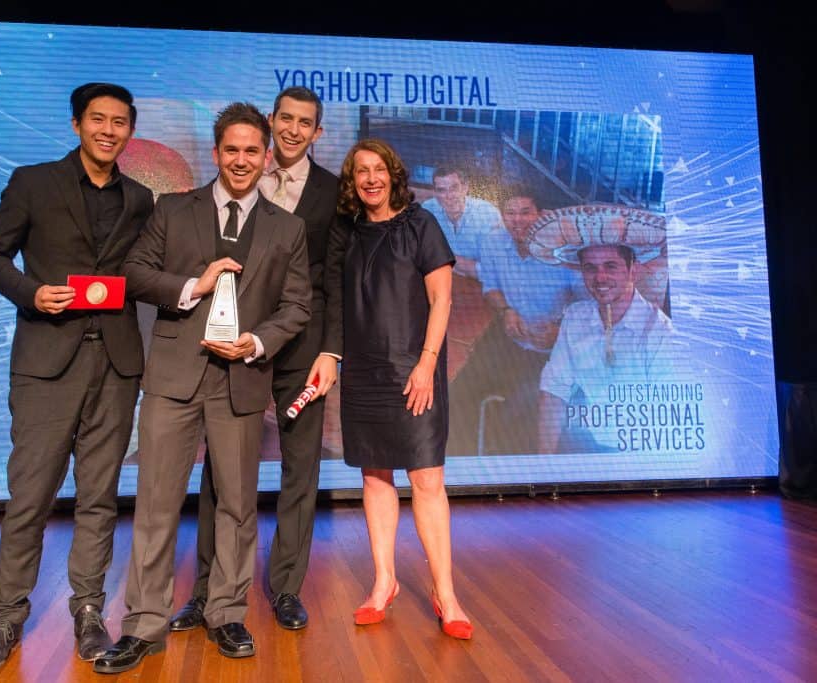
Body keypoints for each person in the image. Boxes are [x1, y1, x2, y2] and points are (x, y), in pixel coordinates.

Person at [93, 102, 311, 674]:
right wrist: (196, 283)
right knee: (157, 502)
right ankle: (143, 624)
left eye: (251, 151)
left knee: (238, 507)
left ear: (267, 158)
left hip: (242, 379)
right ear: (215, 154)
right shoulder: (172, 209)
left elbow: (296, 307)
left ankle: (227, 613)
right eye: (231, 150)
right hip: (172, 376)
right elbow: (135, 274)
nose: (241, 160)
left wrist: (257, 342)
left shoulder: (288, 228)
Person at [0, 83, 154, 673]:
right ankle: (6, 618)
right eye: (97, 119)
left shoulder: (142, 197)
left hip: (118, 364)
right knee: (30, 496)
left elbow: (144, 273)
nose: (108, 129)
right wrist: (31, 293)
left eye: (119, 122)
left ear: (129, 131)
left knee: (99, 497)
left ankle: (90, 611)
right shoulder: (32, 182)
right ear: (76, 124)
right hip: (46, 361)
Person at [173, 87, 341, 634]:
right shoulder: (236, 177)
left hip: (302, 346)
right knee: (221, 470)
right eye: (285, 119)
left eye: (305, 123)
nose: (293, 129)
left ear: (318, 132)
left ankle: (286, 587)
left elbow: (334, 281)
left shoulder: (333, 193)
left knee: (300, 469)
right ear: (270, 124)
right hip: (232, 344)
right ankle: (206, 589)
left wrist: (331, 350)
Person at [332, 138, 472, 640]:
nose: (371, 178)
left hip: (416, 369)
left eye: (378, 169)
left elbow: (442, 300)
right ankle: (384, 582)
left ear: (393, 174)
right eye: (360, 171)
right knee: (374, 478)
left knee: (428, 481)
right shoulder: (345, 232)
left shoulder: (421, 224)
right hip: (364, 372)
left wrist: (426, 363)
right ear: (353, 181)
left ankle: (445, 593)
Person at [447, 187, 585, 455]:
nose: (517, 220)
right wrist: (506, 311)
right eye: (510, 213)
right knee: (457, 395)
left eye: (525, 212)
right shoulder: (494, 243)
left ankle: (505, 474)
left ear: (542, 215)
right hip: (508, 337)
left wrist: (560, 330)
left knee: (518, 410)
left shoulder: (566, 253)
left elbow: (586, 303)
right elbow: (491, 287)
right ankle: (457, 466)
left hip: (554, 347)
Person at [528, 205, 673, 453]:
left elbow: (668, 418)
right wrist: (545, 466)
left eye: (611, 266)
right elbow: (554, 389)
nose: (600, 277)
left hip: (643, 455)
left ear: (633, 270)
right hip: (589, 447)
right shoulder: (575, 317)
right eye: (590, 268)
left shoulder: (660, 331)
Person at [421, 164, 503, 279]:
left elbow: (492, 271)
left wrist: (443, 257)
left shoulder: (487, 214)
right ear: (435, 193)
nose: (448, 196)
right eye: (441, 190)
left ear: (465, 188)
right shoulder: (428, 209)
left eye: (454, 188)